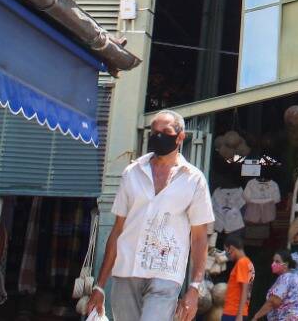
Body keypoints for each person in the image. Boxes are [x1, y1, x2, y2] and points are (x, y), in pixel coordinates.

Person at [85, 110, 215, 321]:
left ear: (180, 137)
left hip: (166, 275)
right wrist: (100, 286)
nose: (159, 136)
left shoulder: (194, 180)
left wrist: (194, 287)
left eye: (166, 131)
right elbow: (118, 230)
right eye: (154, 131)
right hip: (127, 271)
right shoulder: (132, 173)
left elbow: (199, 237)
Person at [251, 252, 298, 321]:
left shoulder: (285, 278)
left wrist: (256, 317)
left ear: (286, 264)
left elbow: (274, 301)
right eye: (273, 261)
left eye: (277, 262)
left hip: (287, 317)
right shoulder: (295, 276)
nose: (273, 264)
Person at [224, 234, 255, 321]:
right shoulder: (248, 263)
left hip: (233, 312)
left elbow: (245, 288)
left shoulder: (242, 263)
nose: (226, 254)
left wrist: (239, 315)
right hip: (237, 312)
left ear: (231, 248)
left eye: (226, 251)